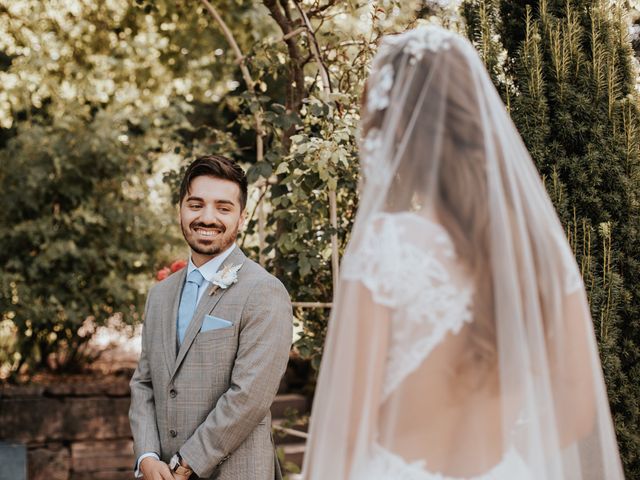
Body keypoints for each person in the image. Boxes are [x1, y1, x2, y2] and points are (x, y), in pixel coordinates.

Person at [302, 26, 624, 480]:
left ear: (402, 133)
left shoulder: (388, 248)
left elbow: (345, 433)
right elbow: (576, 410)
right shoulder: (539, 254)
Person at [129, 155, 293, 480]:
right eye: (196, 204)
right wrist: (147, 456)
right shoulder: (159, 295)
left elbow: (250, 396)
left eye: (223, 207)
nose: (207, 217)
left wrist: (185, 463)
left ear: (242, 217)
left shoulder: (264, 291)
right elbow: (144, 383)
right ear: (180, 208)